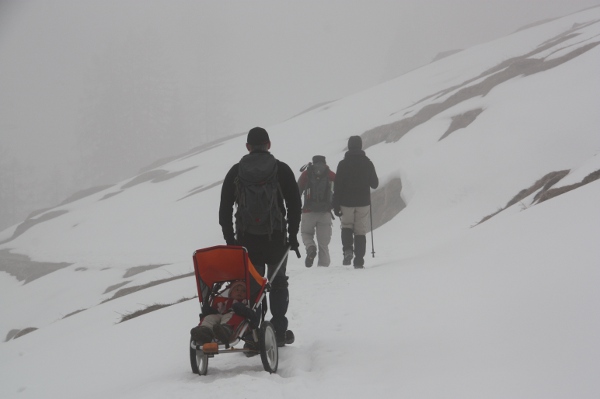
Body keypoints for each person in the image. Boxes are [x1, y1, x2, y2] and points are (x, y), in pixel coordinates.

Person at [219, 127, 301, 346]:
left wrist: (231, 241)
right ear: (269, 145)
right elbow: (294, 204)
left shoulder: (236, 172)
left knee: (253, 288)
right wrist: (292, 234)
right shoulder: (281, 170)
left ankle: (252, 335)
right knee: (278, 283)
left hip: (247, 241)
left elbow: (224, 209)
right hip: (276, 238)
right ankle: (279, 332)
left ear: (247, 147)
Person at [332, 136, 379, 268]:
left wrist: (335, 205)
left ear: (349, 146)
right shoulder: (368, 163)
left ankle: (347, 250)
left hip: (346, 203)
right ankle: (359, 261)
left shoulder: (342, 164)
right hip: (363, 202)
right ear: (360, 146)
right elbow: (374, 184)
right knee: (360, 231)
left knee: (346, 226)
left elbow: (337, 186)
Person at [297, 155, 336, 267]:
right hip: (325, 213)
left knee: (306, 233)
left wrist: (297, 208)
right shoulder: (330, 174)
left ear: (313, 162)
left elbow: (297, 191)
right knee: (323, 244)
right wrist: (334, 205)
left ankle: (310, 247)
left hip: (308, 212)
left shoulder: (306, 174)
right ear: (325, 162)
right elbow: (339, 190)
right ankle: (323, 268)